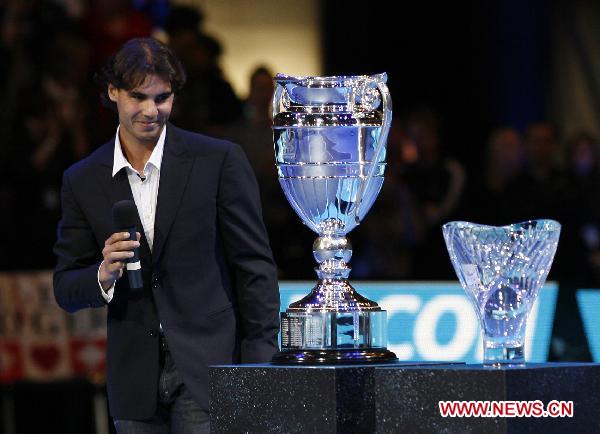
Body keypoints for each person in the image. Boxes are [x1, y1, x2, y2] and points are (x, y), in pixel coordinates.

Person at [53, 37, 280, 433]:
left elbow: (254, 268)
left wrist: (258, 365)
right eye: (138, 97)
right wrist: (102, 275)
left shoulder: (218, 160)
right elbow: (65, 285)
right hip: (134, 381)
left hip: (209, 370)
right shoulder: (82, 180)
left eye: (162, 98)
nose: (150, 111)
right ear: (113, 92)